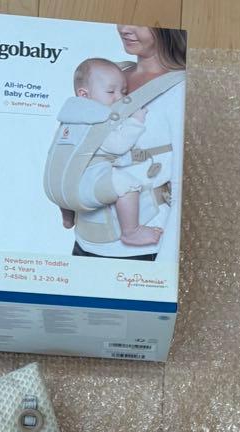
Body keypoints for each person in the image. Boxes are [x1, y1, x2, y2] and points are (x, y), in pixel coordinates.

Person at [71, 26, 186, 263]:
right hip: (85, 241)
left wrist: (165, 268)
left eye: (139, 22)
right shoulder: (109, 73)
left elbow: (183, 188)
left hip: (139, 252)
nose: (125, 28)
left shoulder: (181, 89)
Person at [56, 57, 166, 248]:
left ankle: (68, 218)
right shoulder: (95, 121)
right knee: (128, 185)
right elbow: (118, 146)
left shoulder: (69, 117)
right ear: (84, 95)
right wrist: (135, 121)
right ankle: (131, 232)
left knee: (65, 180)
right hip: (84, 182)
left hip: (58, 186)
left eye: (123, 91)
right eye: (110, 92)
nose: (120, 98)